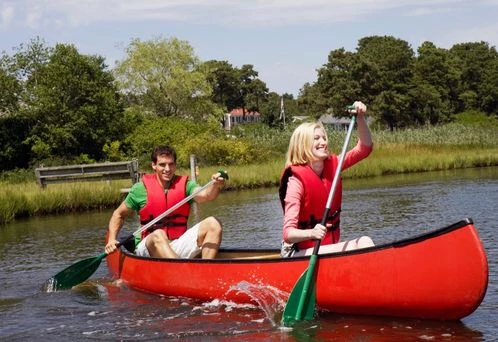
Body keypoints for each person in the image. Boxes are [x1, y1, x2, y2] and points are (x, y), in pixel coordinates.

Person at [279, 101, 374, 257]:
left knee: (364, 243)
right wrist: (312, 232)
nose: (324, 142)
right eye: (316, 139)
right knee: (363, 243)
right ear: (303, 145)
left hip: (324, 249)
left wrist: (360, 118)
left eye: (324, 138)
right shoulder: (296, 182)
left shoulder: (334, 165)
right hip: (298, 252)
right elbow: (288, 233)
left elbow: (365, 148)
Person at [105, 145, 226, 259]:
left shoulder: (186, 185)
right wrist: (112, 239)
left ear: (175, 165)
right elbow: (118, 214)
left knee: (214, 223)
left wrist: (215, 186)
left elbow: (206, 195)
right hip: (148, 247)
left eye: (171, 164)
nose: (167, 169)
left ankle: (205, 270)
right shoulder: (140, 189)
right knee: (159, 234)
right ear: (154, 165)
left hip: (177, 244)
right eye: (162, 165)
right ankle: (181, 272)